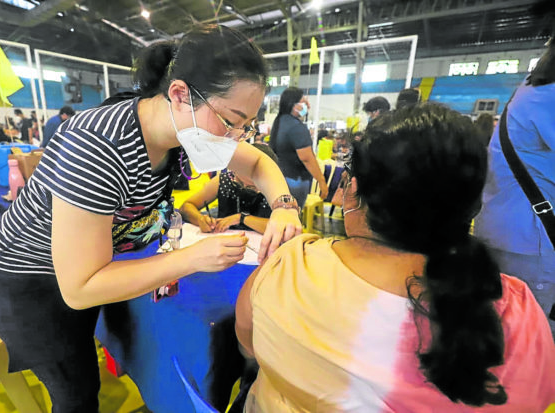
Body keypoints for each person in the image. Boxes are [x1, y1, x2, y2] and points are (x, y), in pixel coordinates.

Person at [0, 24, 302, 412]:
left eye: (245, 125)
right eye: (232, 120)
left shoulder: (183, 129)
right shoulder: (98, 147)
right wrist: (192, 258)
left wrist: (284, 205)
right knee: (74, 389)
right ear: (180, 93)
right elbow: (79, 287)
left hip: (89, 265)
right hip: (30, 279)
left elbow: (259, 162)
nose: (237, 136)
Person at [235, 103, 555, 412]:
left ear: (354, 190)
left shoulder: (287, 267)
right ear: (470, 206)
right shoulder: (518, 315)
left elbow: (248, 343)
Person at [474, 27, 555, 335]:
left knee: (502, 334)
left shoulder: (530, 91)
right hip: (531, 242)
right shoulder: (548, 98)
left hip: (508, 233)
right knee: (529, 341)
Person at [180, 143, 278, 234]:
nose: (243, 186)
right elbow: (186, 206)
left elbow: (285, 226)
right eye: (239, 182)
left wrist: (242, 218)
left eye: (251, 187)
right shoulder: (226, 180)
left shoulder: (277, 189)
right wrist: (200, 219)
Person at [269, 87, 328, 208]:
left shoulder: (279, 121)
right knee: (292, 216)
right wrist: (322, 182)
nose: (308, 106)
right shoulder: (296, 127)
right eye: (304, 102)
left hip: (278, 178)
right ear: (294, 105)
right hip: (295, 181)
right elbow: (307, 158)